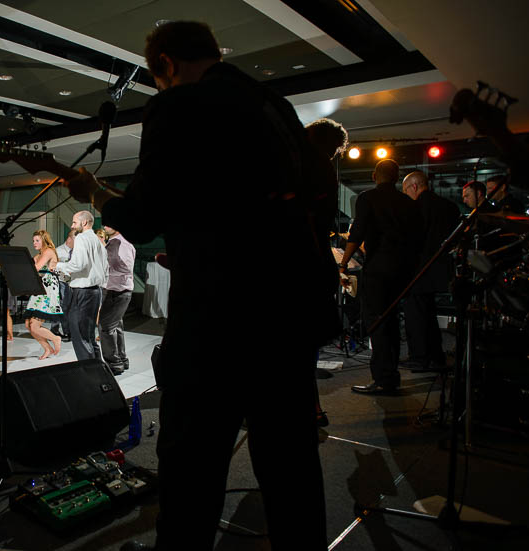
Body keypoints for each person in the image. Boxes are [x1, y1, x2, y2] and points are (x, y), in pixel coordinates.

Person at [65, 21, 331, 551]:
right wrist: (197, 247)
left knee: (193, 468)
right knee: (290, 465)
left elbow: (139, 220)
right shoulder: (273, 104)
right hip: (290, 310)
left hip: (220, 321)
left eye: (157, 77)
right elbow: (274, 204)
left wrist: (94, 194)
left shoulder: (179, 105)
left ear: (165, 64)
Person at [340, 159, 422, 394]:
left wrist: (344, 263)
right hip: (402, 270)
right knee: (392, 321)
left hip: (378, 270)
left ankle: (384, 379)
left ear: (375, 175)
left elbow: (357, 233)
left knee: (377, 322)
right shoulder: (408, 203)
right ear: (397, 178)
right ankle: (391, 376)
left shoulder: (367, 198)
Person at [305, 117, 349, 427]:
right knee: (304, 347)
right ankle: (312, 407)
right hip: (316, 269)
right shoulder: (324, 173)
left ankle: (309, 408)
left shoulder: (311, 172)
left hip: (301, 271)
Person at [401, 171, 460, 372]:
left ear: (414, 187)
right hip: (442, 269)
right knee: (429, 314)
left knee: (415, 315)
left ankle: (419, 358)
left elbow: (411, 239)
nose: (406, 195)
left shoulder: (415, 207)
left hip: (419, 268)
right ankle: (436, 356)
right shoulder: (449, 207)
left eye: (406, 190)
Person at [55, 211, 108, 362]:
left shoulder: (82, 238)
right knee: (89, 336)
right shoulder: (98, 240)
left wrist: (57, 265)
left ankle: (89, 374)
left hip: (82, 292)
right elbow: (104, 266)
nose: (72, 226)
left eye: (74, 222)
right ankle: (98, 370)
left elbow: (78, 264)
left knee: (80, 336)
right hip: (94, 291)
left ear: (84, 223)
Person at [98, 225, 135, 375]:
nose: (105, 226)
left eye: (109, 223)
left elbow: (127, 268)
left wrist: (104, 268)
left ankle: (113, 365)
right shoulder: (114, 242)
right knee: (115, 327)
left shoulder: (121, 243)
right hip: (115, 290)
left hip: (118, 291)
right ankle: (121, 361)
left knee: (105, 327)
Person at [24, 230, 63, 359]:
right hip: (39, 288)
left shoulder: (48, 251)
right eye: (33, 240)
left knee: (34, 326)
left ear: (44, 240)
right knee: (29, 325)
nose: (34, 243)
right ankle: (47, 349)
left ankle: (55, 338)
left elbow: (36, 268)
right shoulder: (39, 254)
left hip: (48, 289)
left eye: (37, 240)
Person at [52, 230, 75, 342]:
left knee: (68, 308)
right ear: (69, 239)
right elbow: (53, 267)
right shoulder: (58, 251)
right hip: (61, 282)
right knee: (62, 306)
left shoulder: (76, 251)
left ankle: (64, 331)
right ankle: (62, 331)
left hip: (73, 283)